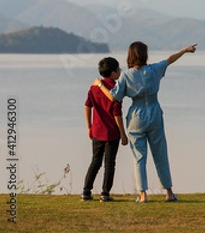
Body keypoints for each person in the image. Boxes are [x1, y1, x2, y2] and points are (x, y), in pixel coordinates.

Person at [93, 41, 197, 203]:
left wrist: (100, 85)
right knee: (160, 155)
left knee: (139, 157)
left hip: (136, 117)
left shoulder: (126, 75)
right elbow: (170, 59)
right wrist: (185, 50)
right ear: (145, 55)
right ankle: (169, 193)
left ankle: (143, 195)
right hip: (155, 114)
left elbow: (114, 97)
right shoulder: (154, 69)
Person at [82, 57, 128, 202]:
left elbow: (87, 106)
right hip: (112, 133)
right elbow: (117, 114)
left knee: (95, 161)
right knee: (109, 163)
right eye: (119, 69)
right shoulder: (116, 89)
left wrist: (89, 126)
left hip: (96, 131)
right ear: (114, 73)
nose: (120, 71)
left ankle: (86, 192)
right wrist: (123, 133)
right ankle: (105, 193)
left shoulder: (94, 87)